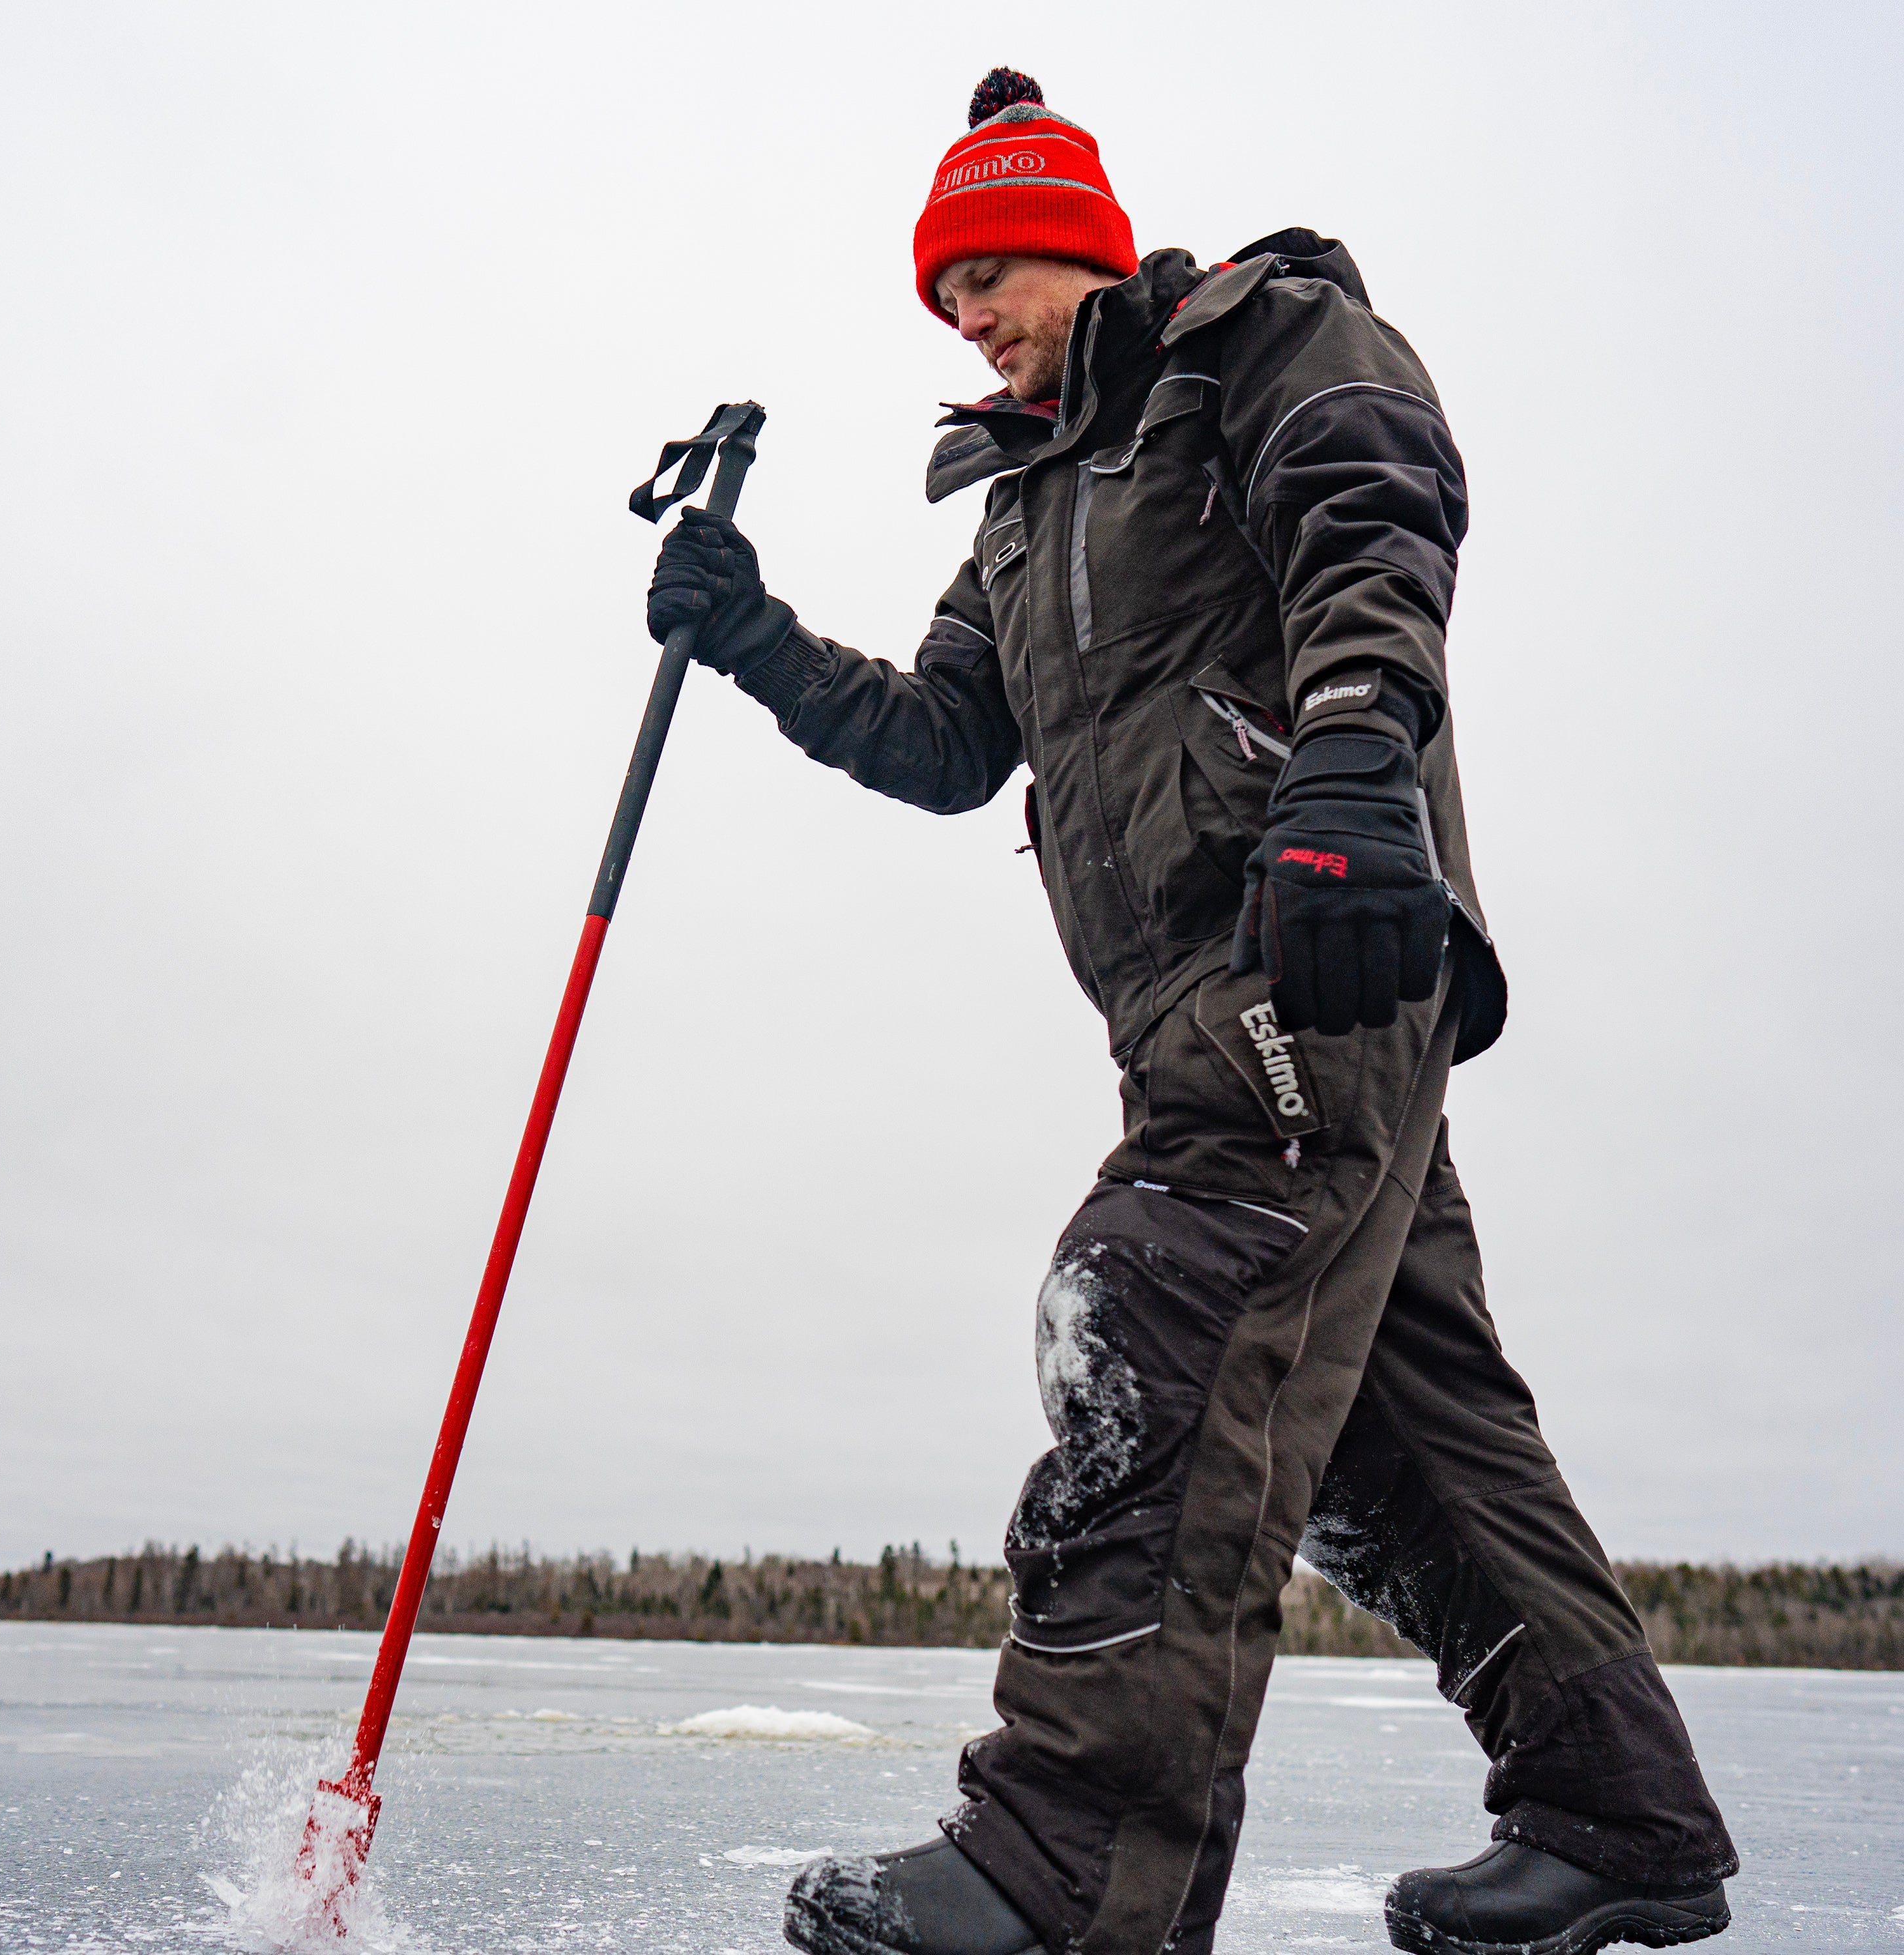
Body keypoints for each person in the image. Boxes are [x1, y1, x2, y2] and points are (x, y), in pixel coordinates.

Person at [645, 67, 1738, 1955]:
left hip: (1310, 940)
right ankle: (1621, 1818)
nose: (966, 318)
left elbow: (1377, 508)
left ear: (1080, 245)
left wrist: (1349, 771)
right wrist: (750, 636)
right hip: (1186, 1003)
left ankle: (1071, 1863)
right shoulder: (1019, 510)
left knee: (1153, 1300)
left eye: (990, 273)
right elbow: (941, 743)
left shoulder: (1256, 339)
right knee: (1408, 1441)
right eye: (943, 295)